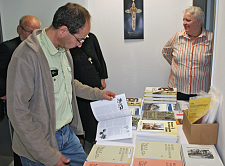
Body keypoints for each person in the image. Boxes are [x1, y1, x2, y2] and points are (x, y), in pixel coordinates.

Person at [6, 3, 115, 166]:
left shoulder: (64, 50)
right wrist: (49, 156)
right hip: (39, 143)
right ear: (63, 30)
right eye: (79, 39)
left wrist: (98, 94)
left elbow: (70, 83)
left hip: (66, 134)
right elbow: (18, 113)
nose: (80, 45)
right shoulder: (26, 57)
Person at [0, 15, 40, 166]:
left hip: (32, 102)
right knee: (20, 140)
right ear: (19, 30)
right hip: (16, 104)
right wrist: (6, 94)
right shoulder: (8, 48)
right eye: (30, 31)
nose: (34, 36)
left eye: (37, 32)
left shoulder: (37, 49)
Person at [162, 6, 213, 100]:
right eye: (184, 20)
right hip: (177, 90)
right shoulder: (177, 36)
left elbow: (215, 63)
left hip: (200, 92)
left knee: (199, 115)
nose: (184, 23)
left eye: (188, 20)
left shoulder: (211, 39)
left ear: (199, 22)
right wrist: (178, 66)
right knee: (177, 114)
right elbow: (166, 52)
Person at [70, 32, 108, 154]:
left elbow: (99, 57)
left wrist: (102, 77)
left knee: (94, 115)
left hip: (94, 83)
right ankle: (83, 139)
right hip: (78, 85)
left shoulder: (91, 37)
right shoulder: (68, 41)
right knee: (82, 115)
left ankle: (93, 140)